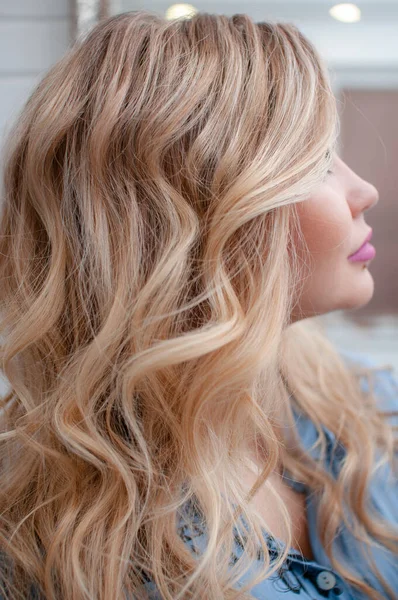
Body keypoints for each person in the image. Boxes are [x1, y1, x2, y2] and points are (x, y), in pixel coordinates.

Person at [0, 9, 396, 600]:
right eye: (315, 164)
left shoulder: (366, 411)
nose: (365, 191)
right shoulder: (61, 542)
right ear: (200, 216)